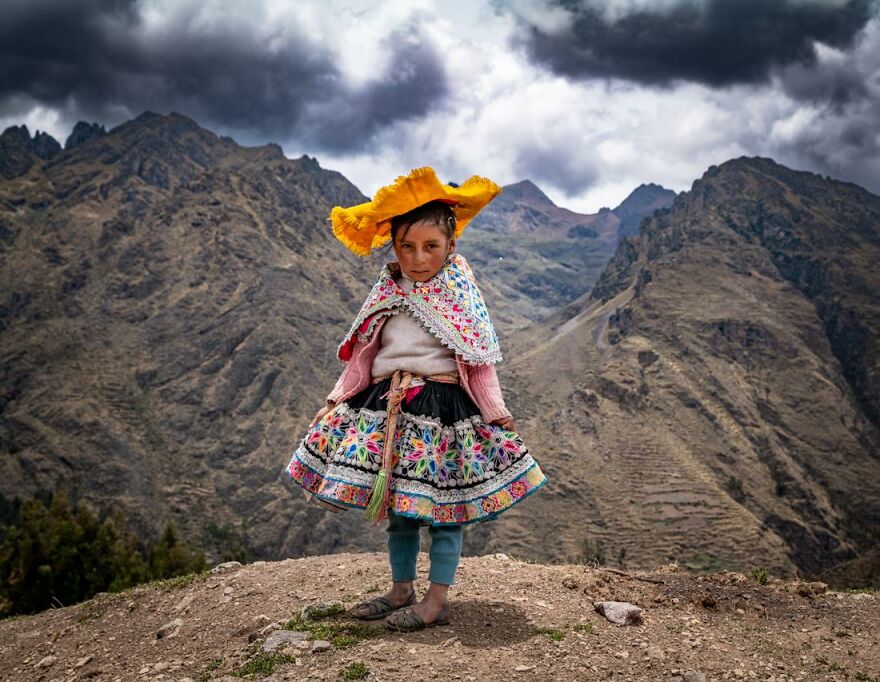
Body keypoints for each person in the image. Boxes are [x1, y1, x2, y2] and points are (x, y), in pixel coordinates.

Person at [284, 166, 548, 632]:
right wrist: (338, 397)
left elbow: (479, 358)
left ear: (451, 247)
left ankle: (436, 600)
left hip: (443, 412)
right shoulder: (387, 289)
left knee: (444, 513)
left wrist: (495, 412)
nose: (418, 257)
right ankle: (400, 589)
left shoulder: (460, 292)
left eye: (431, 247)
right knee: (399, 510)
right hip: (387, 410)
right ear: (393, 245)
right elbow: (366, 351)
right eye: (407, 246)